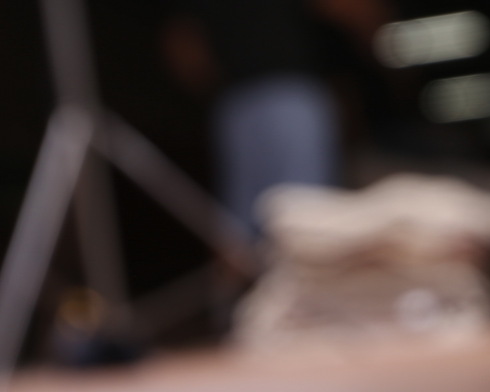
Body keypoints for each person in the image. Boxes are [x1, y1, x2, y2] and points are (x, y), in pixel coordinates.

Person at [164, 0, 387, 238]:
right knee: (297, 221)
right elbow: (184, 45)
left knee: (278, 221)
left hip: (253, 96)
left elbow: (184, 47)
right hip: (275, 96)